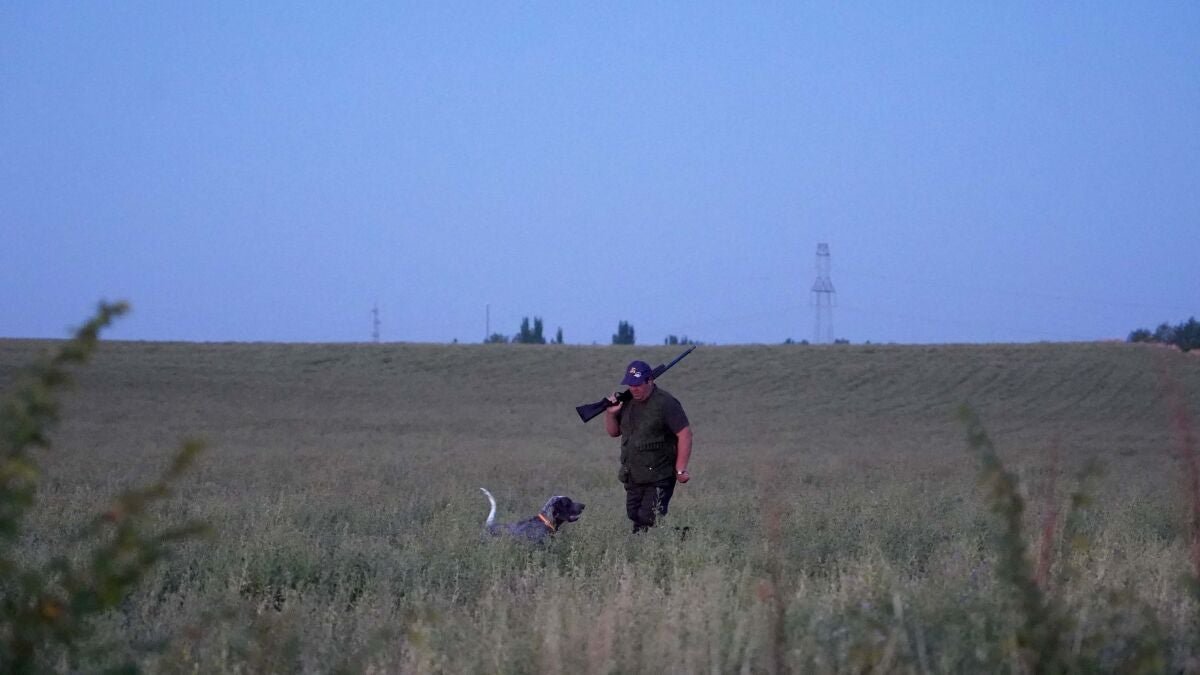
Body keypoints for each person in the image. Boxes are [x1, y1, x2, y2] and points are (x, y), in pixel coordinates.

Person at [604, 359, 692, 533]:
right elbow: (614, 432)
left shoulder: (665, 403)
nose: (634, 389)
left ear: (650, 381)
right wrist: (610, 414)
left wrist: (681, 469)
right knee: (634, 515)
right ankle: (677, 537)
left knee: (648, 518)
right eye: (630, 384)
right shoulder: (627, 402)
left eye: (638, 384)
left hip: (659, 475)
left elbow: (685, 434)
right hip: (634, 474)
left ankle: (678, 539)